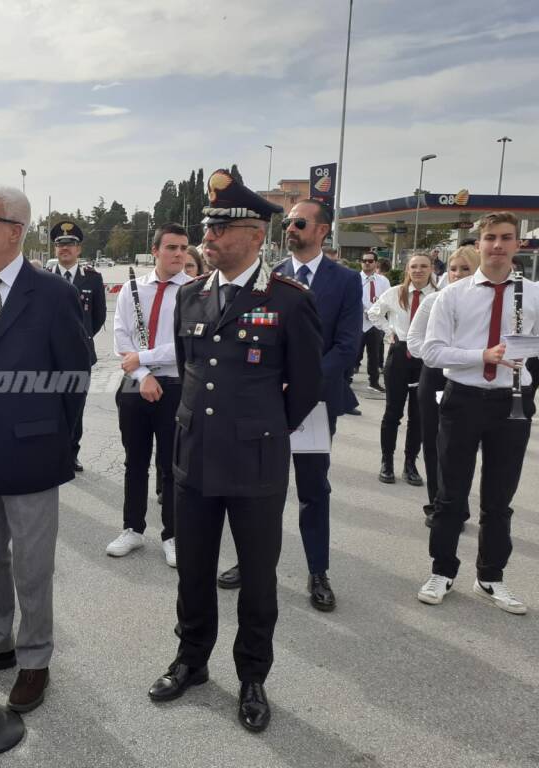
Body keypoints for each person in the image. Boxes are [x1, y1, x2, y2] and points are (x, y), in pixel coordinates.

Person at [147, 169, 322, 733]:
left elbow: (307, 386)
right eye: (206, 228)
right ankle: (191, 660)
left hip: (255, 462)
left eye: (218, 228)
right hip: (193, 456)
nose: (207, 239)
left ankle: (252, 675)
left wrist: (263, 427)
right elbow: (186, 365)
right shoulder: (191, 295)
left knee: (259, 580)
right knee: (193, 571)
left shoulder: (289, 300)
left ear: (251, 233)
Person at [0, 186, 90, 713]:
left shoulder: (51, 294)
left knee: (31, 564)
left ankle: (35, 658)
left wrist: (60, 443)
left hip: (32, 453)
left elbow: (75, 374)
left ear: (15, 230)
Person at [218, 197, 361, 612]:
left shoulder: (345, 281)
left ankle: (318, 571)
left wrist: (302, 385)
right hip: (268, 404)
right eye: (289, 223)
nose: (290, 229)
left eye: (300, 223)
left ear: (321, 231)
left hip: (314, 404)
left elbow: (347, 346)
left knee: (313, 489)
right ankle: (252, 562)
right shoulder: (269, 276)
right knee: (260, 488)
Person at [418, 212, 536, 614]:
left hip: (512, 402)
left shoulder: (533, 295)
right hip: (463, 398)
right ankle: (442, 570)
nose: (497, 245)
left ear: (518, 244)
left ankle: (491, 577)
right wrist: (480, 356)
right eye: (490, 238)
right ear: (478, 242)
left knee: (499, 499)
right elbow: (431, 352)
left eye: (506, 237)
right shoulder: (453, 294)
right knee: (450, 495)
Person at [108, 223, 189, 567]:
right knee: (134, 462)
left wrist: (145, 358)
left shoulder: (195, 291)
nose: (179, 254)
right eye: (171, 247)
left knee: (171, 467)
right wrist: (142, 373)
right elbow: (120, 338)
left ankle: (172, 535)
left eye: (184, 248)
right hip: (135, 386)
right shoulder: (131, 289)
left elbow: (187, 344)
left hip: (174, 386)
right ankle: (132, 529)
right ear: (155, 250)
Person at [406, 245, 479, 526]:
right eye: (453, 268)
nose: (458, 274)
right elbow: (414, 340)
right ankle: (437, 503)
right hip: (435, 375)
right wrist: (443, 356)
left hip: (469, 379)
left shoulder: (484, 304)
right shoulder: (433, 300)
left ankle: (457, 504)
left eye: (465, 269)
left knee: (462, 446)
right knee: (435, 442)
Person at [367, 253, 436, 485]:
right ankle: (387, 462)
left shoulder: (438, 295)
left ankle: (410, 464)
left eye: (423, 266)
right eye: (413, 266)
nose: (418, 270)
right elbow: (374, 312)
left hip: (425, 358)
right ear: (407, 269)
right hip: (399, 355)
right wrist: (390, 331)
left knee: (418, 416)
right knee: (393, 413)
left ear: (431, 268)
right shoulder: (396, 292)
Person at [49, 220, 106, 471]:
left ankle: (72, 452)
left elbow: (99, 316)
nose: (65, 249)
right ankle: (51, 451)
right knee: (49, 403)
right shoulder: (44, 278)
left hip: (80, 354)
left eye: (70, 245)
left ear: (79, 250)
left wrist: (78, 341)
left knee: (76, 404)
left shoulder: (92, 279)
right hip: (47, 354)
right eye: (60, 245)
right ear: (55, 249)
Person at [357, 252, 390, 392]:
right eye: (364, 260)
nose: (367, 263)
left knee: (374, 354)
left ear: (376, 263)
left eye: (370, 261)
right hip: (358, 322)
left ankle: (374, 381)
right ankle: (346, 379)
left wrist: (375, 312)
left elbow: (387, 300)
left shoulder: (383, 281)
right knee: (352, 353)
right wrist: (363, 311)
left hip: (375, 323)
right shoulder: (355, 278)